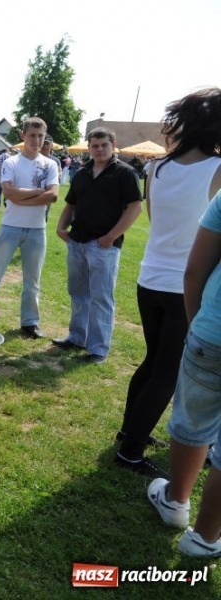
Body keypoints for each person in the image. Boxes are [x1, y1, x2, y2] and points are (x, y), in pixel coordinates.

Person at [115, 87, 221, 478]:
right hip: (186, 285)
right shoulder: (216, 169)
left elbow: (153, 219)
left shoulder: (156, 168)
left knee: (152, 362)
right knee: (167, 372)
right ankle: (130, 450)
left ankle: (130, 430)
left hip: (151, 277)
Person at [147, 190, 221, 558]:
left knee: (193, 420)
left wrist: (197, 326)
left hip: (214, 333)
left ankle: (176, 502)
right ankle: (206, 537)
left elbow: (195, 271)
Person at [52, 127, 143, 364]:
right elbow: (70, 205)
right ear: (89, 147)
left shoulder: (125, 173)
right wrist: (61, 228)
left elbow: (135, 207)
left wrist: (111, 237)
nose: (99, 149)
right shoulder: (82, 174)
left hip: (104, 246)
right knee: (78, 293)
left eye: (104, 145)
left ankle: (98, 348)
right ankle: (77, 337)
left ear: (113, 145)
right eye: (95, 145)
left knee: (101, 297)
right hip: (77, 242)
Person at [0, 117, 59, 338]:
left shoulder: (50, 164)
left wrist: (21, 195)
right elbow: (8, 194)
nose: (36, 140)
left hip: (37, 229)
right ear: (23, 136)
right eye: (32, 135)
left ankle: (30, 322)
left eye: (40, 136)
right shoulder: (11, 162)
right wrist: (38, 192)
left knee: (32, 280)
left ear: (44, 138)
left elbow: (53, 195)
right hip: (10, 226)